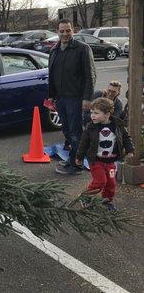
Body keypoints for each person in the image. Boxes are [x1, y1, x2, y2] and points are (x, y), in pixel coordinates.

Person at [48, 18, 96, 175]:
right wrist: (51, 96)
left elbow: (90, 75)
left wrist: (87, 98)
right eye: (62, 31)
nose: (65, 34)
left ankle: (78, 164)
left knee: (76, 132)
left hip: (75, 98)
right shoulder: (55, 50)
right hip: (60, 99)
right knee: (67, 131)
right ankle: (73, 156)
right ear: (57, 32)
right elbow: (52, 74)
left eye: (68, 30)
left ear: (73, 30)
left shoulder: (82, 49)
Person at [75, 97, 134, 211]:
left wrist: (130, 150)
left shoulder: (117, 125)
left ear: (107, 114)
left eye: (96, 113)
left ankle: (107, 200)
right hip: (96, 160)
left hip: (111, 161)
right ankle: (85, 197)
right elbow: (83, 143)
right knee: (100, 181)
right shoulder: (90, 127)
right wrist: (79, 157)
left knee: (111, 183)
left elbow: (126, 138)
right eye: (91, 112)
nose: (92, 115)